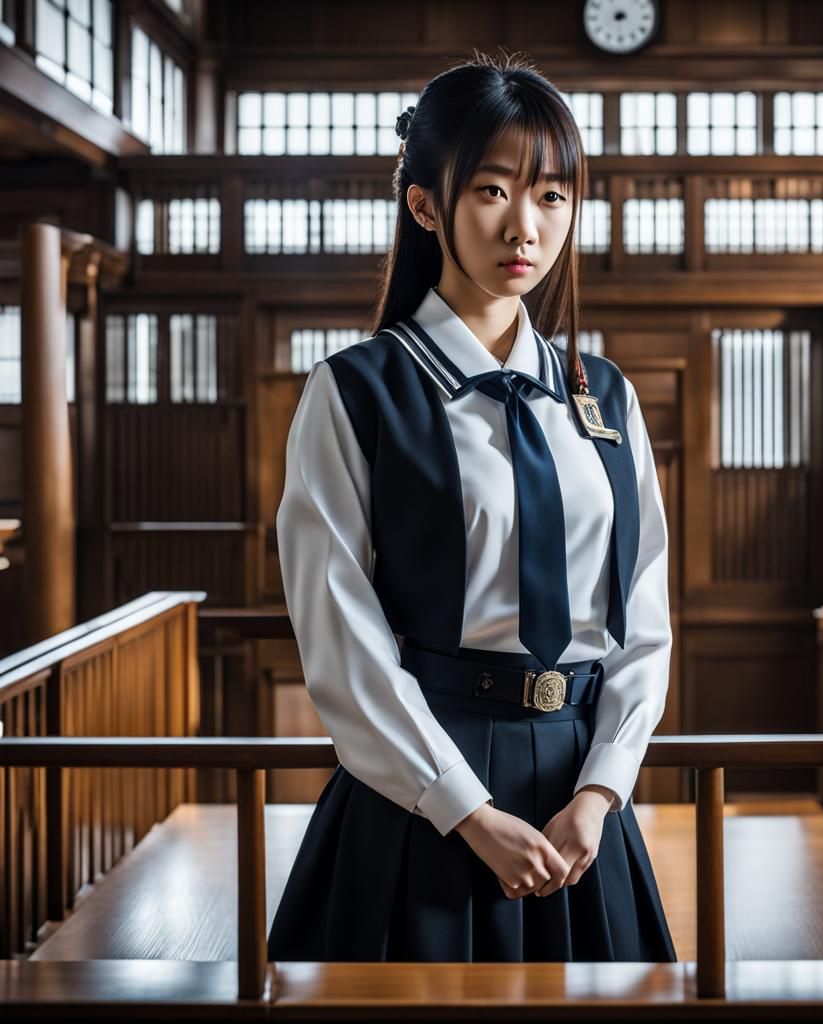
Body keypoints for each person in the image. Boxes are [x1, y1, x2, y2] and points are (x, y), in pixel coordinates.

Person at [266, 48, 676, 963]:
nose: (524, 227)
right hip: (425, 791)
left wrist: (603, 791)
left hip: (581, 801)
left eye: (552, 196)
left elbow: (641, 621)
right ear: (426, 205)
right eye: (492, 192)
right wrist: (467, 810)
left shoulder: (604, 397)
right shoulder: (358, 393)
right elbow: (340, 635)